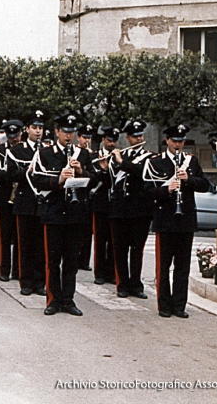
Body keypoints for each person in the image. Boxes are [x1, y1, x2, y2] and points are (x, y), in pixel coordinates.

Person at [143, 124, 209, 318]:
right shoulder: (156, 162)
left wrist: (188, 179)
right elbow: (147, 191)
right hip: (165, 219)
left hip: (186, 219)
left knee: (182, 266)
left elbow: (205, 185)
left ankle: (179, 305)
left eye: (181, 141)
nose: (178, 144)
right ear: (168, 141)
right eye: (175, 141)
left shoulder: (191, 162)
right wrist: (167, 190)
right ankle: (164, 305)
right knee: (163, 266)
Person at [32, 113, 94, 316]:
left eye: (71, 132)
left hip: (76, 214)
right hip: (54, 212)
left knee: (71, 261)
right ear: (57, 132)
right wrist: (58, 179)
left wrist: (81, 171)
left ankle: (68, 299)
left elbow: (95, 179)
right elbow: (37, 180)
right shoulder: (45, 153)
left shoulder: (82, 154)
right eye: (65, 132)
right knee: (53, 260)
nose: (69, 136)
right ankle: (53, 300)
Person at [106, 120, 155, 299]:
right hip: (119, 209)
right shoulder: (117, 156)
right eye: (134, 136)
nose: (138, 138)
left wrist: (122, 162)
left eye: (140, 135)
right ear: (127, 138)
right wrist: (113, 161)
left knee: (137, 249)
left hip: (140, 210)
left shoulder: (149, 156)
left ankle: (136, 284)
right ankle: (122, 285)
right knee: (120, 249)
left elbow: (143, 172)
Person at [7, 110, 47, 296]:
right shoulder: (17, 151)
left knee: (41, 245)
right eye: (34, 128)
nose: (38, 131)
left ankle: (39, 282)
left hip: (43, 203)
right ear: (27, 130)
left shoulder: (47, 150)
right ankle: (26, 282)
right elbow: (10, 174)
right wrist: (27, 172)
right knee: (25, 244)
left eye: (40, 128)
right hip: (25, 201)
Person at [0, 120, 23, 282]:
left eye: (16, 135)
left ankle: (17, 271)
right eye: (10, 136)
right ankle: (5, 270)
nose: (13, 139)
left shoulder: (24, 150)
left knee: (20, 236)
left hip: (21, 196)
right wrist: (8, 175)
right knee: (5, 235)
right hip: (4, 195)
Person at [91, 126, 120, 285]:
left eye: (114, 141)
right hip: (100, 203)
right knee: (100, 240)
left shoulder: (118, 158)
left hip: (115, 204)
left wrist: (110, 167)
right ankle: (99, 273)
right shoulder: (94, 157)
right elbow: (94, 180)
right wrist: (103, 170)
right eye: (109, 140)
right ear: (103, 140)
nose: (112, 144)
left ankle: (111, 273)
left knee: (114, 240)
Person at [76, 124, 94, 271]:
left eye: (89, 138)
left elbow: (93, 175)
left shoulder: (89, 154)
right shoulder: (76, 152)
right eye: (84, 137)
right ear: (79, 138)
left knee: (86, 231)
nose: (87, 140)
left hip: (85, 196)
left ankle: (84, 260)